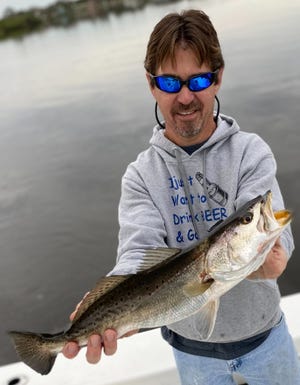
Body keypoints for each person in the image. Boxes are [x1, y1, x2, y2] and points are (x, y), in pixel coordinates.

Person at [62, 9, 300, 385]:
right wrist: (101, 306)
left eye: (199, 79)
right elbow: (137, 256)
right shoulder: (141, 177)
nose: (186, 96)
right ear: (151, 84)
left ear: (219, 78)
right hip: (192, 355)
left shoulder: (251, 153)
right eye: (171, 83)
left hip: (266, 341)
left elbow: (270, 235)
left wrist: (274, 260)